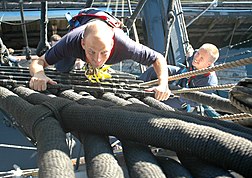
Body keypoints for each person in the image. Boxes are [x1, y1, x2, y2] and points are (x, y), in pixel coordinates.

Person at [29, 9, 170, 101]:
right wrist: (39, 74)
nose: (97, 59)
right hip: (84, 25)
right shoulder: (71, 42)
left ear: (112, 45)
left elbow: (158, 58)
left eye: (104, 53)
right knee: (62, 69)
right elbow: (39, 62)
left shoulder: (125, 46)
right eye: (92, 52)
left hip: (105, 25)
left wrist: (163, 84)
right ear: (83, 44)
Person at [139, 43, 219, 110]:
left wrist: (176, 92)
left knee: (161, 99)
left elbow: (196, 101)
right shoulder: (196, 55)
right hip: (182, 74)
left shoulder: (210, 83)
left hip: (184, 97)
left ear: (208, 64)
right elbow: (190, 57)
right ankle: (138, 84)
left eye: (202, 58)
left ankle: (141, 100)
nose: (197, 58)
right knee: (157, 69)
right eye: (198, 53)